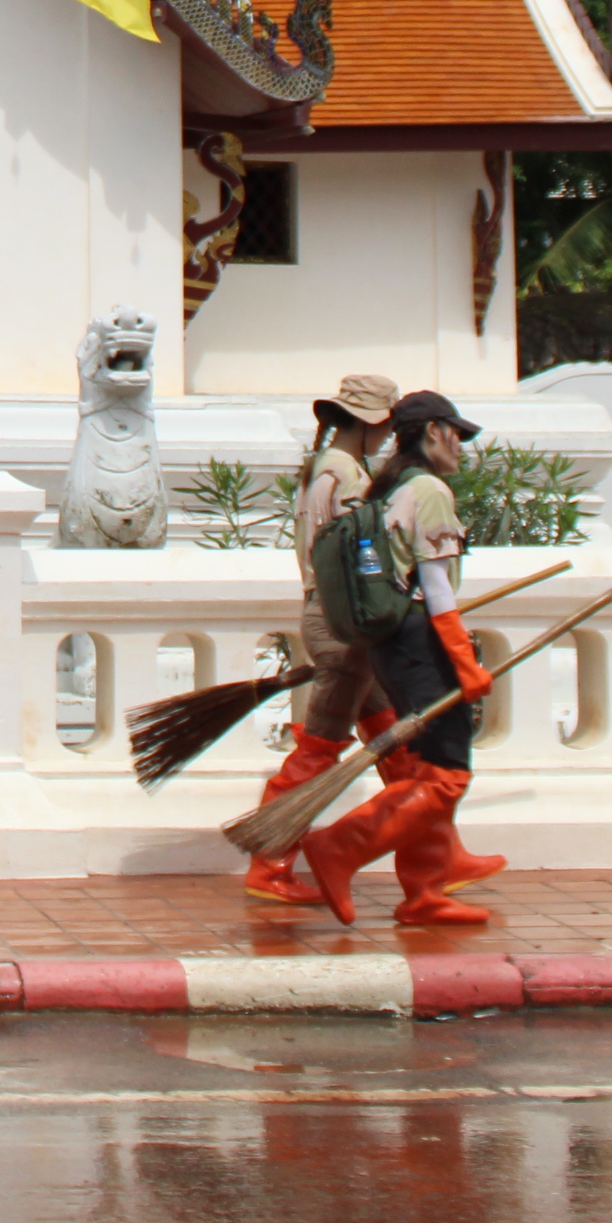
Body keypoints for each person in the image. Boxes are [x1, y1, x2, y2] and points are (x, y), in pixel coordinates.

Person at [300, 389, 500, 929]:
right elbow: (436, 586)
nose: (461, 445)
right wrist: (465, 661)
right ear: (433, 431)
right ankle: (339, 848)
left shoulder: (392, 486)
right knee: (446, 776)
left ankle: (425, 892)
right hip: (421, 641)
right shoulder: (430, 489)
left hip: (393, 642)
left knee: (424, 769)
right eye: (456, 432)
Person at [242, 374, 404, 906]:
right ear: (368, 424)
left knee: (398, 748)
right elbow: (361, 560)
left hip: (336, 622)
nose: (387, 438)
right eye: (384, 426)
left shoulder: (324, 468)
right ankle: (269, 864)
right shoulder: (347, 477)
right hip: (346, 628)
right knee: (319, 751)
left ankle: (433, 855)